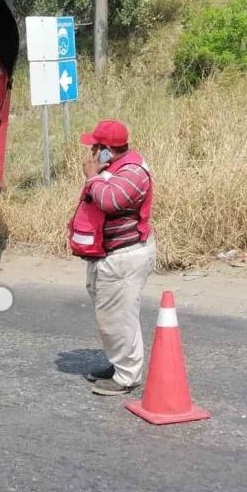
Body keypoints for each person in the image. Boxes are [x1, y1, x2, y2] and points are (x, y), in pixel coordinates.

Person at [68, 119, 157, 396]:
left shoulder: (134, 171)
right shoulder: (114, 168)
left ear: (106, 149)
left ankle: (126, 377)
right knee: (111, 317)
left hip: (124, 257)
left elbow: (110, 200)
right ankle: (120, 364)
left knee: (119, 318)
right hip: (108, 256)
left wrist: (92, 176)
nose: (91, 151)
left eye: (95, 146)